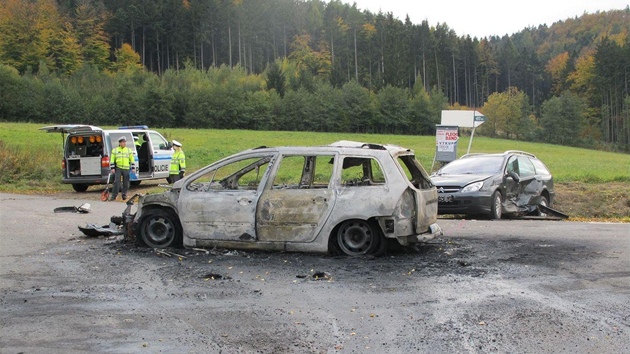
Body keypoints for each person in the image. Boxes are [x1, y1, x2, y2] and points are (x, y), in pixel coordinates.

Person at [110, 136, 135, 201]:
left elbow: (132, 159)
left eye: (125, 142)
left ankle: (124, 195)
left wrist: (133, 168)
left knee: (126, 183)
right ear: (120, 143)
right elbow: (112, 160)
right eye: (123, 142)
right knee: (116, 182)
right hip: (118, 168)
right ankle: (114, 196)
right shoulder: (115, 150)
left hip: (126, 168)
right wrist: (112, 168)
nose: (124, 143)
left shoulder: (128, 150)